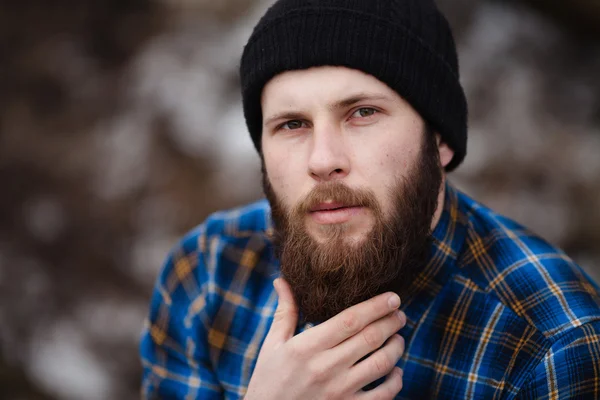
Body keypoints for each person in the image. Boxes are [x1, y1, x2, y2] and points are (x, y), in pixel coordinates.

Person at [139, 0, 600, 398]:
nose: (323, 160)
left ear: (439, 139)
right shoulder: (208, 274)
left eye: (362, 113)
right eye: (292, 124)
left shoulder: (552, 346)